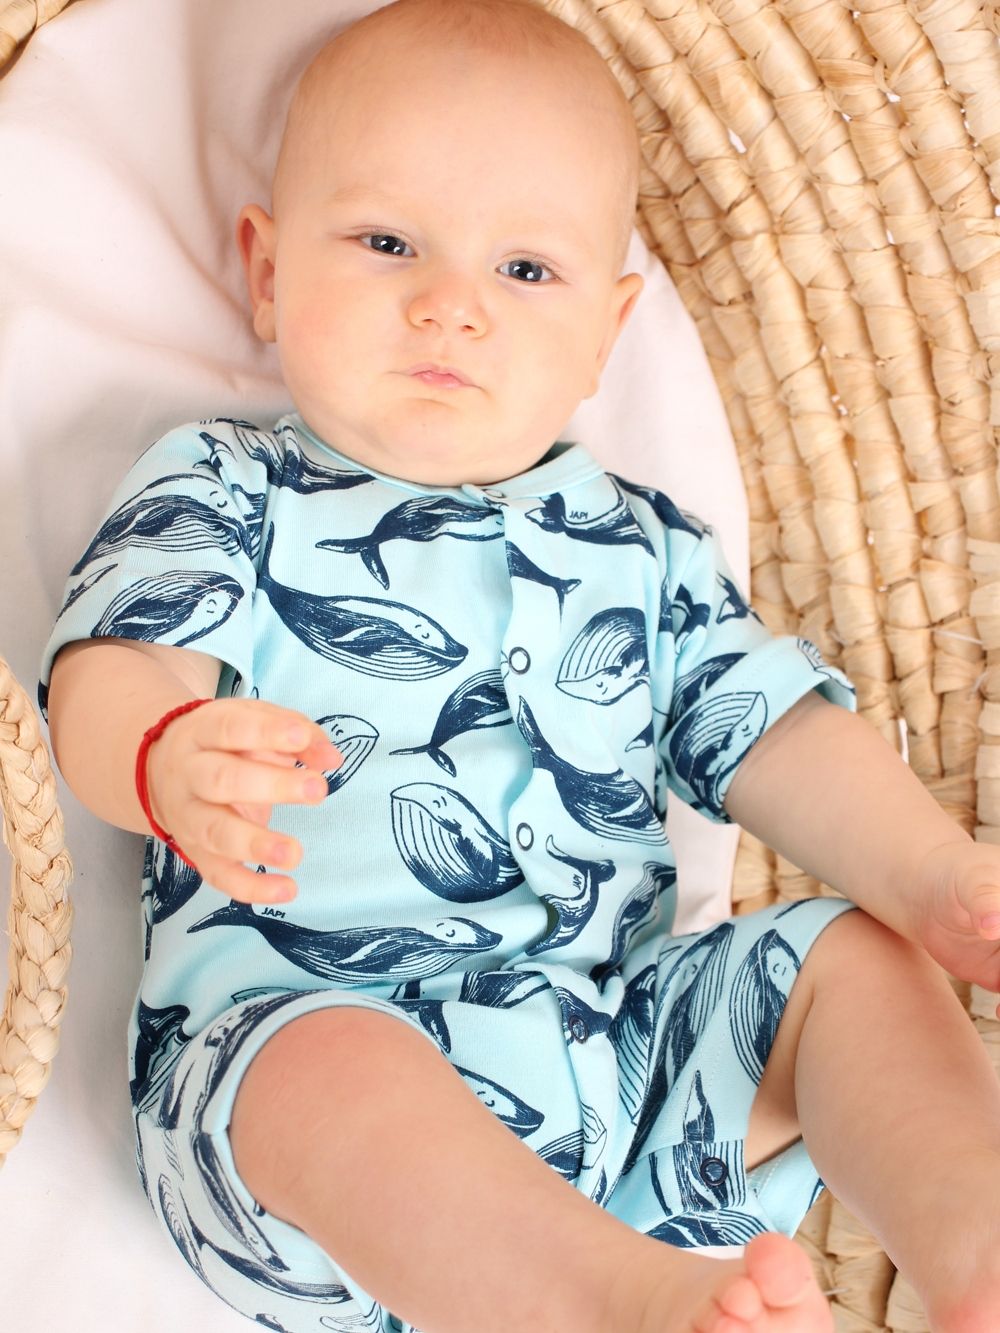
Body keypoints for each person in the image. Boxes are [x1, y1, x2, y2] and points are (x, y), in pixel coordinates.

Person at [39, 2, 1000, 1330]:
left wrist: (933, 877)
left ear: (607, 333)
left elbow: (772, 731)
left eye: (527, 270)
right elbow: (104, 670)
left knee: (855, 960)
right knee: (337, 1075)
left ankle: (974, 1245)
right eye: (387, 243)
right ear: (266, 271)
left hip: (624, 1066)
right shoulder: (233, 488)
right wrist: (158, 752)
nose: (452, 305)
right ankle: (615, 1305)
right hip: (290, 1074)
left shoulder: (644, 549)